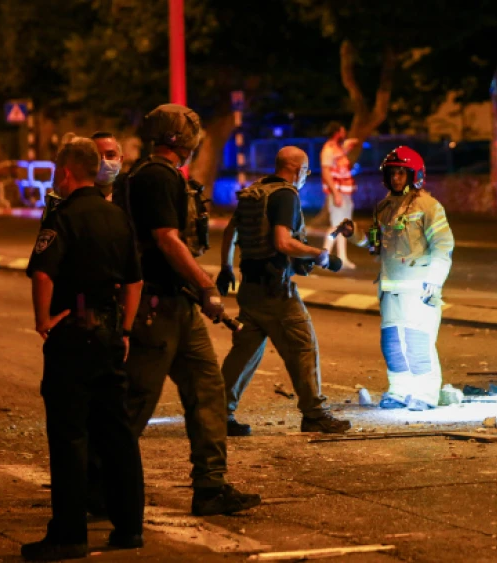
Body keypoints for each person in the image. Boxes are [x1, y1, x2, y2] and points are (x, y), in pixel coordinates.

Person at [117, 103, 259, 515]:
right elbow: (166, 238)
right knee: (136, 402)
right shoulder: (159, 177)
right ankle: (98, 487)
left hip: (176, 304)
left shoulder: (142, 174)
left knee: (207, 390)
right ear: (180, 138)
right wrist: (205, 284)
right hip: (157, 308)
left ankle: (210, 486)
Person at [22, 137, 145, 560]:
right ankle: (129, 527)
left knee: (70, 434)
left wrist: (43, 320)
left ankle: (69, 534)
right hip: (110, 331)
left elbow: (43, 274)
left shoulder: (63, 216)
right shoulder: (117, 216)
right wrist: (124, 330)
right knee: (118, 433)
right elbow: (134, 281)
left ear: (65, 172)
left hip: (73, 332)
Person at [218, 147, 352, 436]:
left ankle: (217, 413)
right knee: (303, 345)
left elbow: (230, 231)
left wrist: (226, 267)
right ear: (297, 169)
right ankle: (314, 414)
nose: (306, 176)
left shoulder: (255, 192)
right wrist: (319, 255)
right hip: (275, 290)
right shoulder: (286, 195)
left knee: (245, 351)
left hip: (249, 287)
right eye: (306, 170)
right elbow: (282, 242)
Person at [372, 146, 454, 411]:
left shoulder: (429, 207)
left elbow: (443, 246)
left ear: (414, 175)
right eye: (392, 173)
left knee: (418, 342)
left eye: (401, 173)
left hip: (419, 290)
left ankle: (426, 394)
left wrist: (434, 280)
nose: (396, 178)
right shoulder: (384, 208)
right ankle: (398, 391)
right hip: (390, 290)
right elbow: (376, 246)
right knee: (392, 344)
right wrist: (353, 235)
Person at [320, 122, 358, 269]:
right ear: (336, 133)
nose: (345, 133)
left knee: (344, 226)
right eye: (342, 131)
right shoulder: (328, 150)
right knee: (335, 226)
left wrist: (347, 146)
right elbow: (326, 173)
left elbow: (343, 153)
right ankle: (324, 256)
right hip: (337, 193)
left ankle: (342, 257)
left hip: (345, 193)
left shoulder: (337, 149)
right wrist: (335, 193)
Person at [91, 131, 124, 200]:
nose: (104, 161)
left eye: (110, 155)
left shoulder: (131, 198)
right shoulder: (76, 200)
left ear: (121, 160)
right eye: (97, 155)